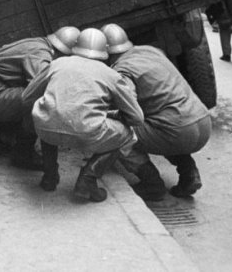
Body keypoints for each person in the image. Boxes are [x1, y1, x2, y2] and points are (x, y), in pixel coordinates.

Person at [22, 28, 144, 203]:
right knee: (127, 134)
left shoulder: (57, 63)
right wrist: (112, 115)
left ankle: (49, 177)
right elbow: (137, 118)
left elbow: (27, 97)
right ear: (105, 51)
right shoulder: (111, 75)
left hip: (45, 130)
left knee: (49, 114)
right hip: (87, 132)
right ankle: (87, 180)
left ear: (76, 46)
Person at [102, 24, 212, 201]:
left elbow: (128, 108)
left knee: (117, 132)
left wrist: (105, 113)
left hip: (177, 131)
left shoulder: (121, 70)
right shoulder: (151, 51)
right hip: (203, 123)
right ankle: (189, 174)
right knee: (159, 124)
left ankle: (152, 184)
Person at [0, 26, 80, 169]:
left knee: (24, 91)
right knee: (38, 101)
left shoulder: (39, 43)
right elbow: (43, 87)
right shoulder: (39, 54)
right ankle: (24, 155)